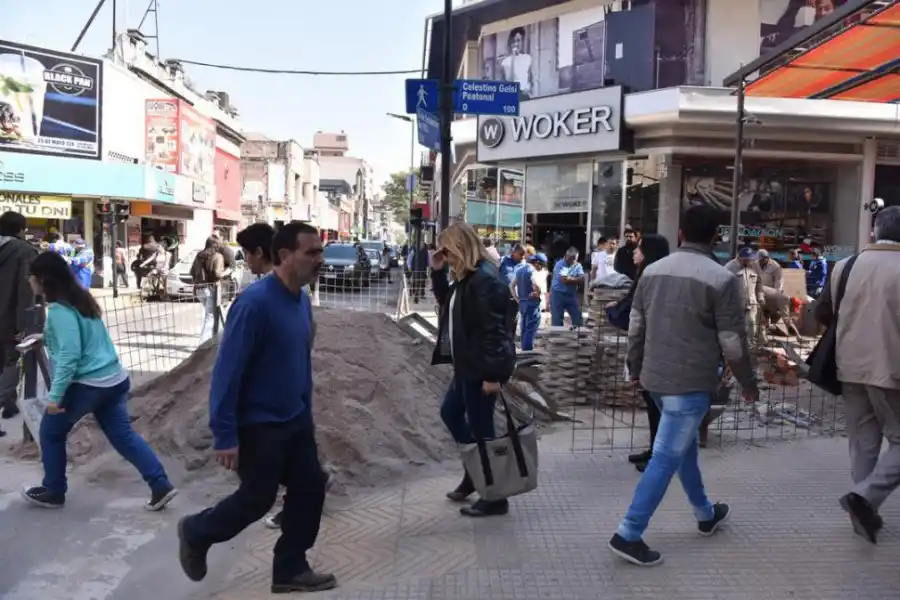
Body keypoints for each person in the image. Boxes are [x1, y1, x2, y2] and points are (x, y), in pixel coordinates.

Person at [176, 221, 336, 593]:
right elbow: (228, 372)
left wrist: (305, 413)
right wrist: (226, 433)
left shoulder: (300, 301)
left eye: (320, 251)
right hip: (258, 425)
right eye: (311, 252)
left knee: (310, 489)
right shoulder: (254, 304)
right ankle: (197, 531)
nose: (320, 260)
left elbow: (300, 363)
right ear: (284, 255)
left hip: (294, 420)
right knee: (257, 500)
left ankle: (290, 568)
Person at [608, 204, 758, 567]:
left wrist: (634, 365)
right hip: (690, 384)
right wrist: (748, 382)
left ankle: (705, 514)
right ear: (715, 237)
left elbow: (636, 326)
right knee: (666, 456)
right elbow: (733, 343)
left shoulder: (653, 272)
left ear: (680, 234)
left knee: (683, 448)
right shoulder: (722, 279)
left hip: (656, 380)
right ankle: (629, 533)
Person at [21, 252, 177, 510]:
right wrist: (45, 338)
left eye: (31, 277)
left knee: (51, 431)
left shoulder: (60, 310)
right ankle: (160, 485)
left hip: (88, 384)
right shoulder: (80, 298)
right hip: (113, 379)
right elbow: (81, 339)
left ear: (41, 279)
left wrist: (55, 397)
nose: (29, 282)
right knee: (123, 436)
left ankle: (53, 490)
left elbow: (71, 355)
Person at [814, 206, 900, 545]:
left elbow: (823, 313)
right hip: (892, 370)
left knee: (863, 444)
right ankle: (864, 499)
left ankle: (862, 515)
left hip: (849, 366)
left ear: (874, 231)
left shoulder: (845, 266)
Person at [430, 222, 516, 517]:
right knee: (450, 413)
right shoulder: (467, 278)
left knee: (483, 432)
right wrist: (438, 270)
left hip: (480, 369)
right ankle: (475, 472)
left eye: (449, 252)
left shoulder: (484, 280)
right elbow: (448, 304)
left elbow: (495, 333)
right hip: (467, 366)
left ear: (460, 248)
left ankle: (495, 496)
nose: (447, 257)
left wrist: (493, 377)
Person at [605, 234, 670, 473]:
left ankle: (658, 456)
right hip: (656, 346)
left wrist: (612, 312)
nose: (634, 253)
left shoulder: (649, 277)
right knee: (653, 404)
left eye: (639, 249)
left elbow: (631, 316)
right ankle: (655, 450)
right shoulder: (659, 276)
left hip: (649, 348)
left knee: (656, 404)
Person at [0, 211, 38, 424]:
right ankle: (6, 400)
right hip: (9, 317)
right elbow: (27, 290)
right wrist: (23, 323)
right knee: (12, 362)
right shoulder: (24, 251)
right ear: (21, 230)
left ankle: (9, 404)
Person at [724, 247, 766, 346]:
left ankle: (749, 346)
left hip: (751, 302)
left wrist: (760, 296)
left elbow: (759, 283)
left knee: (751, 323)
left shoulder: (754, 267)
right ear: (743, 259)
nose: (752, 261)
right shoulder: (729, 268)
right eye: (750, 259)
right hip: (735, 304)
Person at [191, 238, 228, 344]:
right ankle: (204, 343)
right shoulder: (218, 256)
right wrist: (225, 273)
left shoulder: (199, 256)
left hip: (199, 289)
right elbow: (217, 274)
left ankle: (216, 338)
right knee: (210, 316)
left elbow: (192, 272)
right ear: (215, 245)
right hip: (212, 289)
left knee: (212, 314)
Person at [512, 252, 548, 351]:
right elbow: (536, 288)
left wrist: (517, 299)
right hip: (532, 304)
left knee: (524, 328)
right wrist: (537, 292)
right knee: (531, 329)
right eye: (541, 266)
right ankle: (527, 351)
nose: (541, 268)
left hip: (522, 303)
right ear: (537, 263)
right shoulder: (533, 272)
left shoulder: (519, 270)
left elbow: (511, 285)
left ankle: (523, 350)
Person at [549, 247, 585, 327]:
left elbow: (582, 279)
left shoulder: (578, 265)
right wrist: (576, 279)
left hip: (571, 294)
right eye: (570, 259)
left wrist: (570, 279)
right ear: (565, 256)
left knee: (577, 316)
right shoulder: (560, 264)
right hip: (557, 294)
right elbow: (564, 280)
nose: (572, 261)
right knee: (557, 320)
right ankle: (557, 338)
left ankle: (579, 337)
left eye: (574, 259)